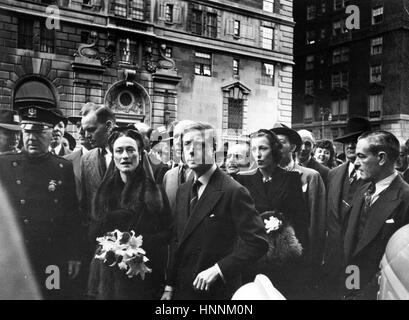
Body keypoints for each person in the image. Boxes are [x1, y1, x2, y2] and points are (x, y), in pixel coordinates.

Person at [161, 122, 268, 300]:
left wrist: (219, 269)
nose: (191, 151)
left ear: (214, 150)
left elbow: (258, 243)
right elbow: (177, 240)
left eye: (200, 145)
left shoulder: (233, 191)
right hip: (183, 290)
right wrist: (169, 286)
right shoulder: (184, 189)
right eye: (187, 144)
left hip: (216, 293)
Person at [0, 106, 81, 299]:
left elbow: (71, 215)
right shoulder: (5, 164)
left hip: (51, 255)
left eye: (38, 133)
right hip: (17, 255)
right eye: (27, 132)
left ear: (51, 134)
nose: (31, 138)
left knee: (51, 294)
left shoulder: (62, 167)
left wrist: (74, 254)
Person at [88, 126, 172, 299]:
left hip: (143, 279)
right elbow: (93, 233)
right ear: (113, 155)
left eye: (130, 150)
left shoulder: (154, 193)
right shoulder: (104, 192)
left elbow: (169, 233)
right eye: (119, 151)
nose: (125, 156)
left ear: (140, 155)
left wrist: (138, 244)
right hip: (108, 279)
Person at [236, 129, 308, 299]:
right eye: (254, 149)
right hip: (253, 255)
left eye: (263, 148)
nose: (258, 154)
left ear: (275, 150)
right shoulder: (243, 180)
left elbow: (301, 220)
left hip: (283, 257)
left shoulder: (291, 179)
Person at [343, 131, 409, 299]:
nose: (355, 163)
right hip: (353, 283)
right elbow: (353, 248)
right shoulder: (362, 190)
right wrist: (351, 290)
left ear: (381, 158)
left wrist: (363, 296)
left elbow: (400, 263)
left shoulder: (406, 198)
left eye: (361, 157)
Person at [322, 117, 371, 298]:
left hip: (357, 261)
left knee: (352, 294)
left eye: (356, 140)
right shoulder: (333, 174)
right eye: (347, 141)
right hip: (332, 259)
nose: (350, 145)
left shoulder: (375, 178)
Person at [271, 124, 326, 273]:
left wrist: (313, 258)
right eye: (273, 142)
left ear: (293, 147)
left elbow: (317, 221)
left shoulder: (310, 176)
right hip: (270, 256)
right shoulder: (265, 176)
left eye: (281, 142)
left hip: (300, 253)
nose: (277, 146)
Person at [162, 120, 196, 210]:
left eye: (183, 136)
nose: (178, 141)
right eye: (176, 137)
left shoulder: (203, 173)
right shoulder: (168, 176)